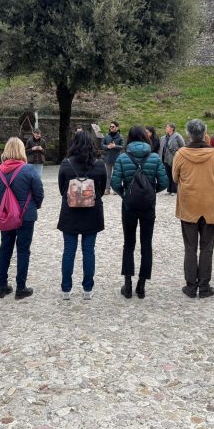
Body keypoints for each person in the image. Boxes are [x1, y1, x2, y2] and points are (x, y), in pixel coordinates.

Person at [111, 126, 168, 299]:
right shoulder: (154, 157)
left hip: (129, 206)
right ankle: (141, 285)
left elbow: (114, 183)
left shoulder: (123, 157)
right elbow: (164, 182)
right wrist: (150, 192)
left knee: (128, 243)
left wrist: (126, 194)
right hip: (148, 206)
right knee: (146, 244)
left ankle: (127, 285)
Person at [172, 119, 214, 299]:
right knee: (207, 247)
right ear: (204, 133)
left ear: (188, 134)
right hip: (210, 205)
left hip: (189, 204)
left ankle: (191, 285)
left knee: (190, 247)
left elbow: (175, 177)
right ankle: (204, 285)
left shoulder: (180, 154)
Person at [0, 138, 44, 300]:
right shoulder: (28, 170)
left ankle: (2, 287)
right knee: (23, 250)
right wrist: (35, 206)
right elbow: (39, 193)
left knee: (5, 249)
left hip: (6, 214)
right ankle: (21, 287)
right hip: (26, 214)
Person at [57, 131, 108, 300]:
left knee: (68, 251)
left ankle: (66, 289)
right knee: (89, 251)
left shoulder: (66, 164)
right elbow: (101, 190)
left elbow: (61, 189)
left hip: (70, 212)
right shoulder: (99, 164)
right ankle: (87, 288)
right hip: (91, 212)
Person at [160, 123, 185, 195]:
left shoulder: (177, 136)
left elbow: (183, 147)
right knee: (167, 174)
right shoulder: (163, 137)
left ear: (172, 129)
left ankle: (174, 190)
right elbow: (161, 148)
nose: (166, 128)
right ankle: (169, 189)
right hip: (165, 158)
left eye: (167, 127)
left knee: (174, 174)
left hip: (174, 158)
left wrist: (178, 154)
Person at [101, 121, 124, 195]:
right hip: (108, 158)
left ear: (117, 128)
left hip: (117, 158)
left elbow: (123, 147)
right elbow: (102, 145)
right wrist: (107, 146)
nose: (111, 128)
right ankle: (107, 189)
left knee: (116, 175)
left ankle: (115, 189)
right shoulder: (106, 136)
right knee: (108, 175)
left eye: (113, 126)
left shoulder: (120, 136)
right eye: (110, 126)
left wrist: (115, 146)